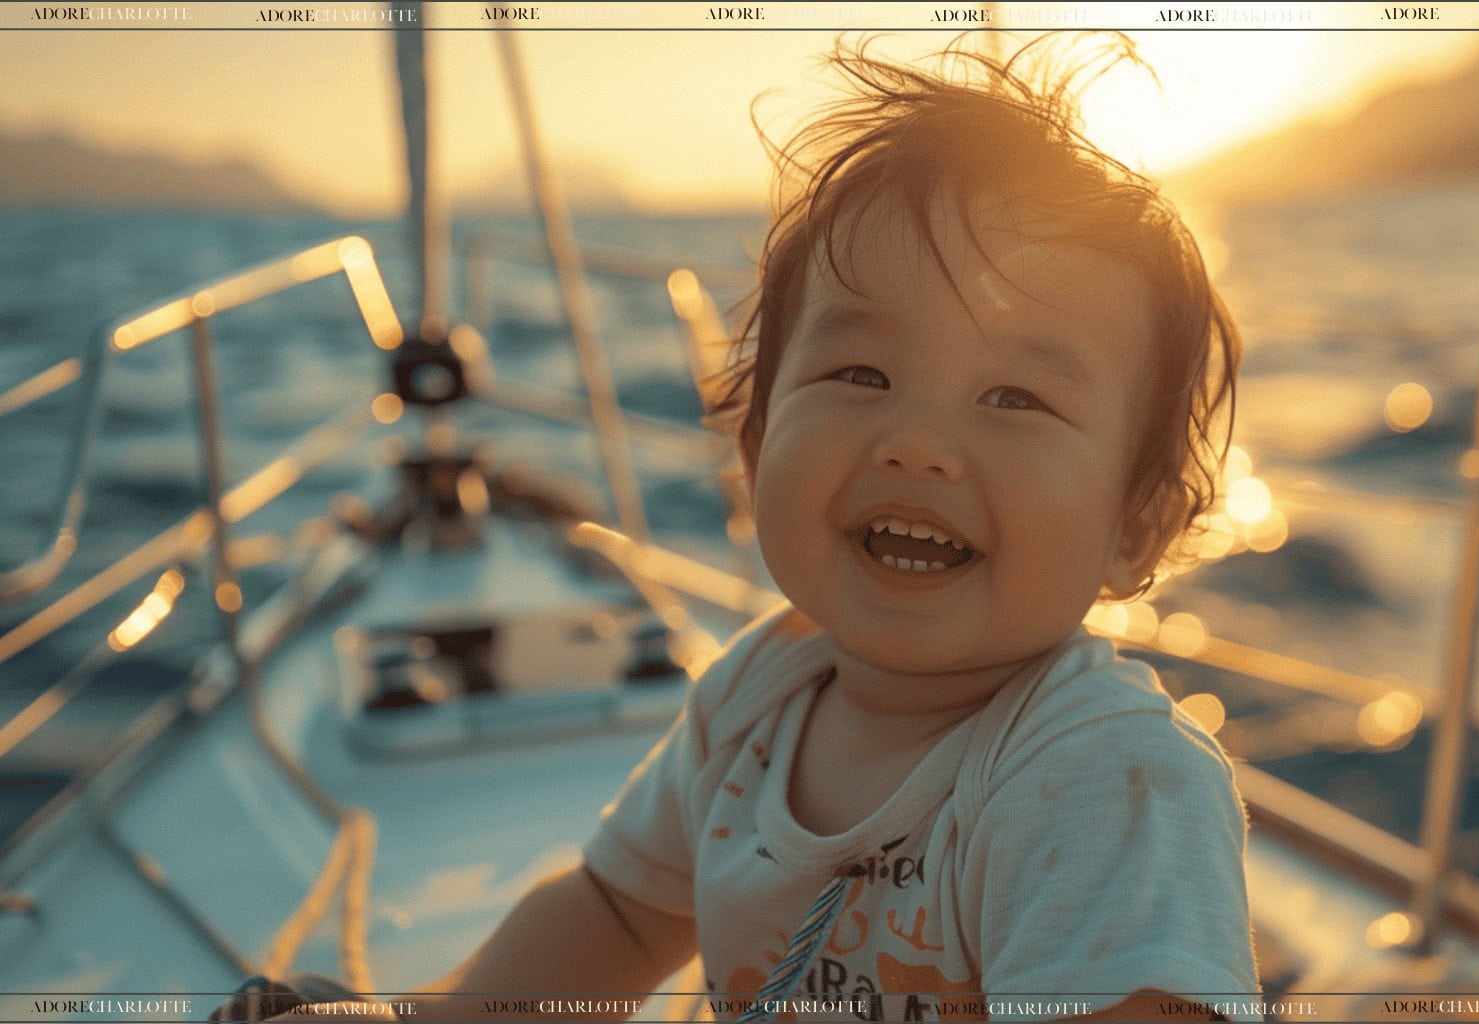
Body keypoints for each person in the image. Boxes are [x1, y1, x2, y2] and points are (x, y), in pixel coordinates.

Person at [250, 35, 1254, 1024]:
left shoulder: (1107, 782)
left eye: (1014, 396)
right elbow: (615, 915)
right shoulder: (754, 696)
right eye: (860, 375)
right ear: (755, 444)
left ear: (1135, 530)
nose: (916, 443)